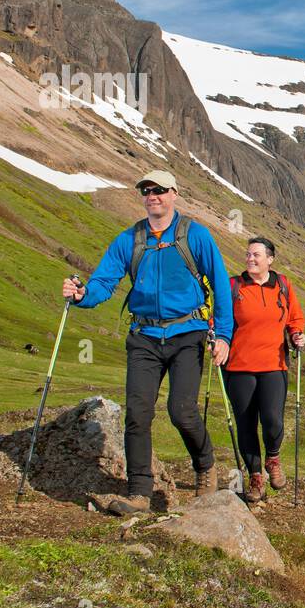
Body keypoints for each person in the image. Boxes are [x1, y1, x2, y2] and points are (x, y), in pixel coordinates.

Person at [61, 170, 233, 515]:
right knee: (138, 414)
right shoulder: (130, 239)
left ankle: (205, 466)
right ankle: (140, 492)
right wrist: (81, 295)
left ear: (174, 194)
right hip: (144, 337)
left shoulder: (195, 235)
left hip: (187, 334)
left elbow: (220, 284)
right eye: (147, 190)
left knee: (182, 410)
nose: (152, 195)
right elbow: (104, 282)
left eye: (159, 190)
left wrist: (224, 336)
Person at [223, 237, 305, 502]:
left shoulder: (282, 285)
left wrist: (297, 334)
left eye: (256, 255)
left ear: (270, 259)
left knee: (272, 420)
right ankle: (255, 478)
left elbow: (295, 317)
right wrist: (215, 336)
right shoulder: (234, 285)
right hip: (238, 367)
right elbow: (220, 317)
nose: (250, 258)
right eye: (248, 254)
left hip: (274, 364)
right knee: (246, 424)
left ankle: (273, 457)